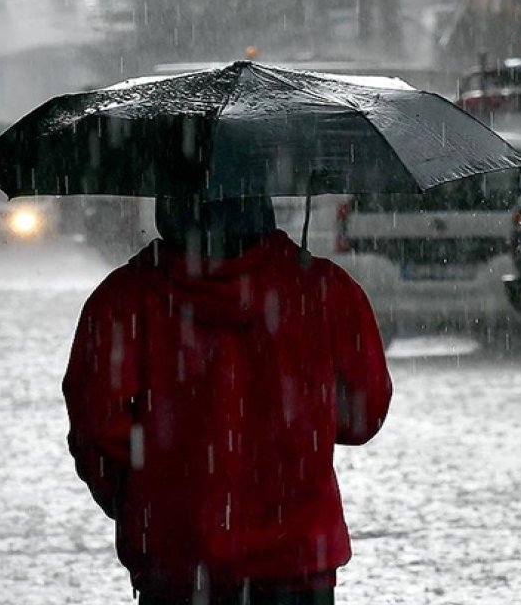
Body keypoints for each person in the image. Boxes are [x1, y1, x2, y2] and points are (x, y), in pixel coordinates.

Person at [62, 192, 393, 605]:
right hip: (298, 564)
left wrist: (145, 502)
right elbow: (365, 413)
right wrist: (299, 424)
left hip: (177, 564)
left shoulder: (123, 298)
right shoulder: (325, 288)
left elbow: (97, 427)